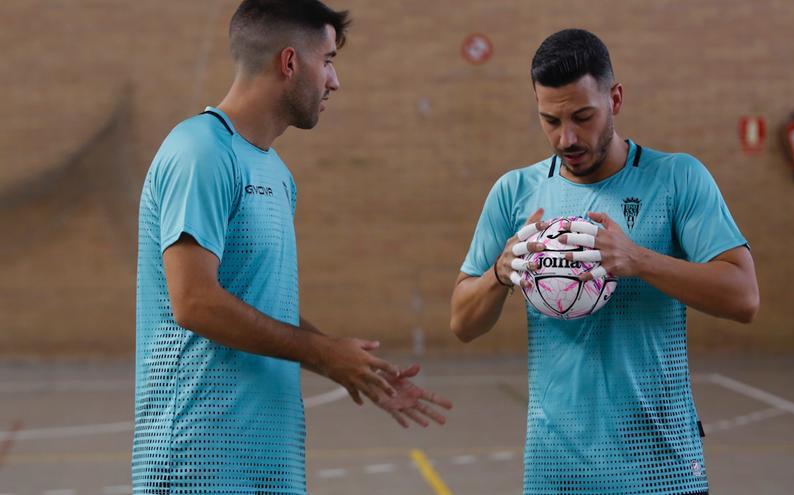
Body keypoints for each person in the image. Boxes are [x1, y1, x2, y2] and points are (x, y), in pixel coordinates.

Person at [133, 1, 451, 493]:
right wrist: (323, 354)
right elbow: (194, 302)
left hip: (269, 459)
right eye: (328, 60)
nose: (334, 81)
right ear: (289, 63)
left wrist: (350, 366)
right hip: (197, 462)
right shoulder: (200, 152)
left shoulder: (275, 173)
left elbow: (255, 307)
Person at [450, 28, 759, 495]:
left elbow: (744, 297)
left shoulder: (677, 179)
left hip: (662, 468)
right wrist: (499, 273)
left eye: (582, 117)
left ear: (615, 98)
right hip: (554, 471)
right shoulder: (516, 192)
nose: (566, 137)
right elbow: (462, 322)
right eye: (550, 121)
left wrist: (638, 259)